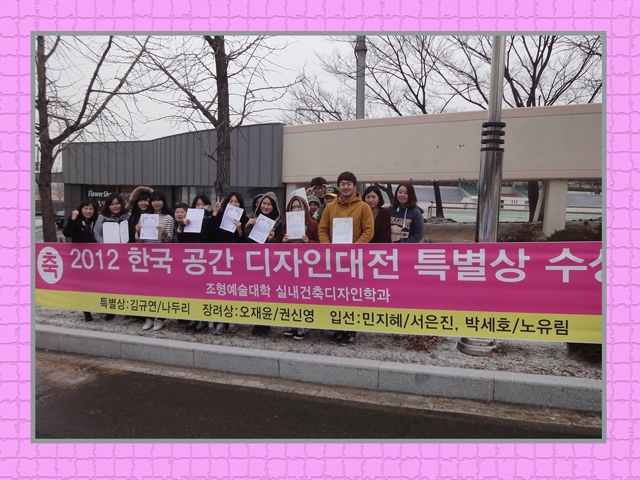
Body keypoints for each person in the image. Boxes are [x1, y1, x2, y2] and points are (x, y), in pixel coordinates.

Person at [318, 172, 374, 346]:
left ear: (354, 186)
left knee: (352, 295)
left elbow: (368, 231)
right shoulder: (330, 208)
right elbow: (322, 229)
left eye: (349, 183)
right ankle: (338, 327)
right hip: (334, 258)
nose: (346, 187)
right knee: (337, 294)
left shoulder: (363, 207)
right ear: (338, 186)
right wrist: (328, 247)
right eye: (342, 183)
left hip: (354, 259)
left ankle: (350, 329)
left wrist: (354, 248)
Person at [198, 192, 249, 335]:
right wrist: (215, 212)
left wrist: (240, 231)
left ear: (241, 205)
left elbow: (247, 244)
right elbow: (206, 235)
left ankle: (232, 321)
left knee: (233, 290)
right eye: (231, 201)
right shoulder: (219, 216)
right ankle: (219, 322)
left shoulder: (245, 219)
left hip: (236, 262)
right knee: (220, 291)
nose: (233, 204)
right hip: (219, 260)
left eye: (236, 202)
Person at [245, 192, 284, 336]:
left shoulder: (279, 222)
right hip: (256, 262)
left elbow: (280, 245)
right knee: (257, 292)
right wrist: (248, 226)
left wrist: (272, 238)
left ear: (274, 206)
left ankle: (266, 323)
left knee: (268, 292)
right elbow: (247, 241)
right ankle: (257, 321)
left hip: (272, 263)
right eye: (264, 204)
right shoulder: (252, 218)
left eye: (269, 204)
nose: (266, 207)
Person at [135, 191, 174, 332]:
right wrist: (138, 230)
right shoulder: (145, 217)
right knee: (147, 288)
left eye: (159, 200)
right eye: (153, 200)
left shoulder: (168, 218)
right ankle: (149, 317)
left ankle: (161, 318)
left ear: (163, 201)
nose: (156, 203)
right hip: (147, 255)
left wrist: (164, 232)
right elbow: (139, 238)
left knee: (161, 288)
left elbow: (169, 240)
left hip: (162, 256)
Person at [62, 199, 100, 322]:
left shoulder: (97, 220)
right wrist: (73, 219)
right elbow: (67, 233)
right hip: (81, 259)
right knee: (83, 286)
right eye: (85, 208)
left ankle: (102, 307)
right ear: (80, 209)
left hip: (97, 258)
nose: (88, 211)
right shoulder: (76, 220)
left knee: (98, 284)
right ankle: (86, 311)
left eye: (91, 208)